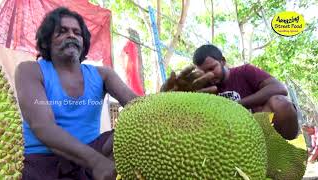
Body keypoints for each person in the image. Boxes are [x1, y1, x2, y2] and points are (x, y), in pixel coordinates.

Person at [15, 7, 214, 180]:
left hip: (92, 153)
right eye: (62, 31)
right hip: (42, 161)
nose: (71, 35)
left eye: (77, 32)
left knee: (133, 133)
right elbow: (43, 127)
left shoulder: (102, 75)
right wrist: (96, 162)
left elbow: (139, 107)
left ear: (84, 42)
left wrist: (167, 98)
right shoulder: (30, 70)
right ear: (47, 40)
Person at [190, 44, 299, 140]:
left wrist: (237, 105)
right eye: (203, 72)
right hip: (228, 136)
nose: (209, 75)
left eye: (212, 68)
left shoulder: (244, 71)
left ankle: (286, 147)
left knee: (280, 103)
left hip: (259, 127)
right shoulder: (203, 87)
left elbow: (279, 88)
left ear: (223, 61)